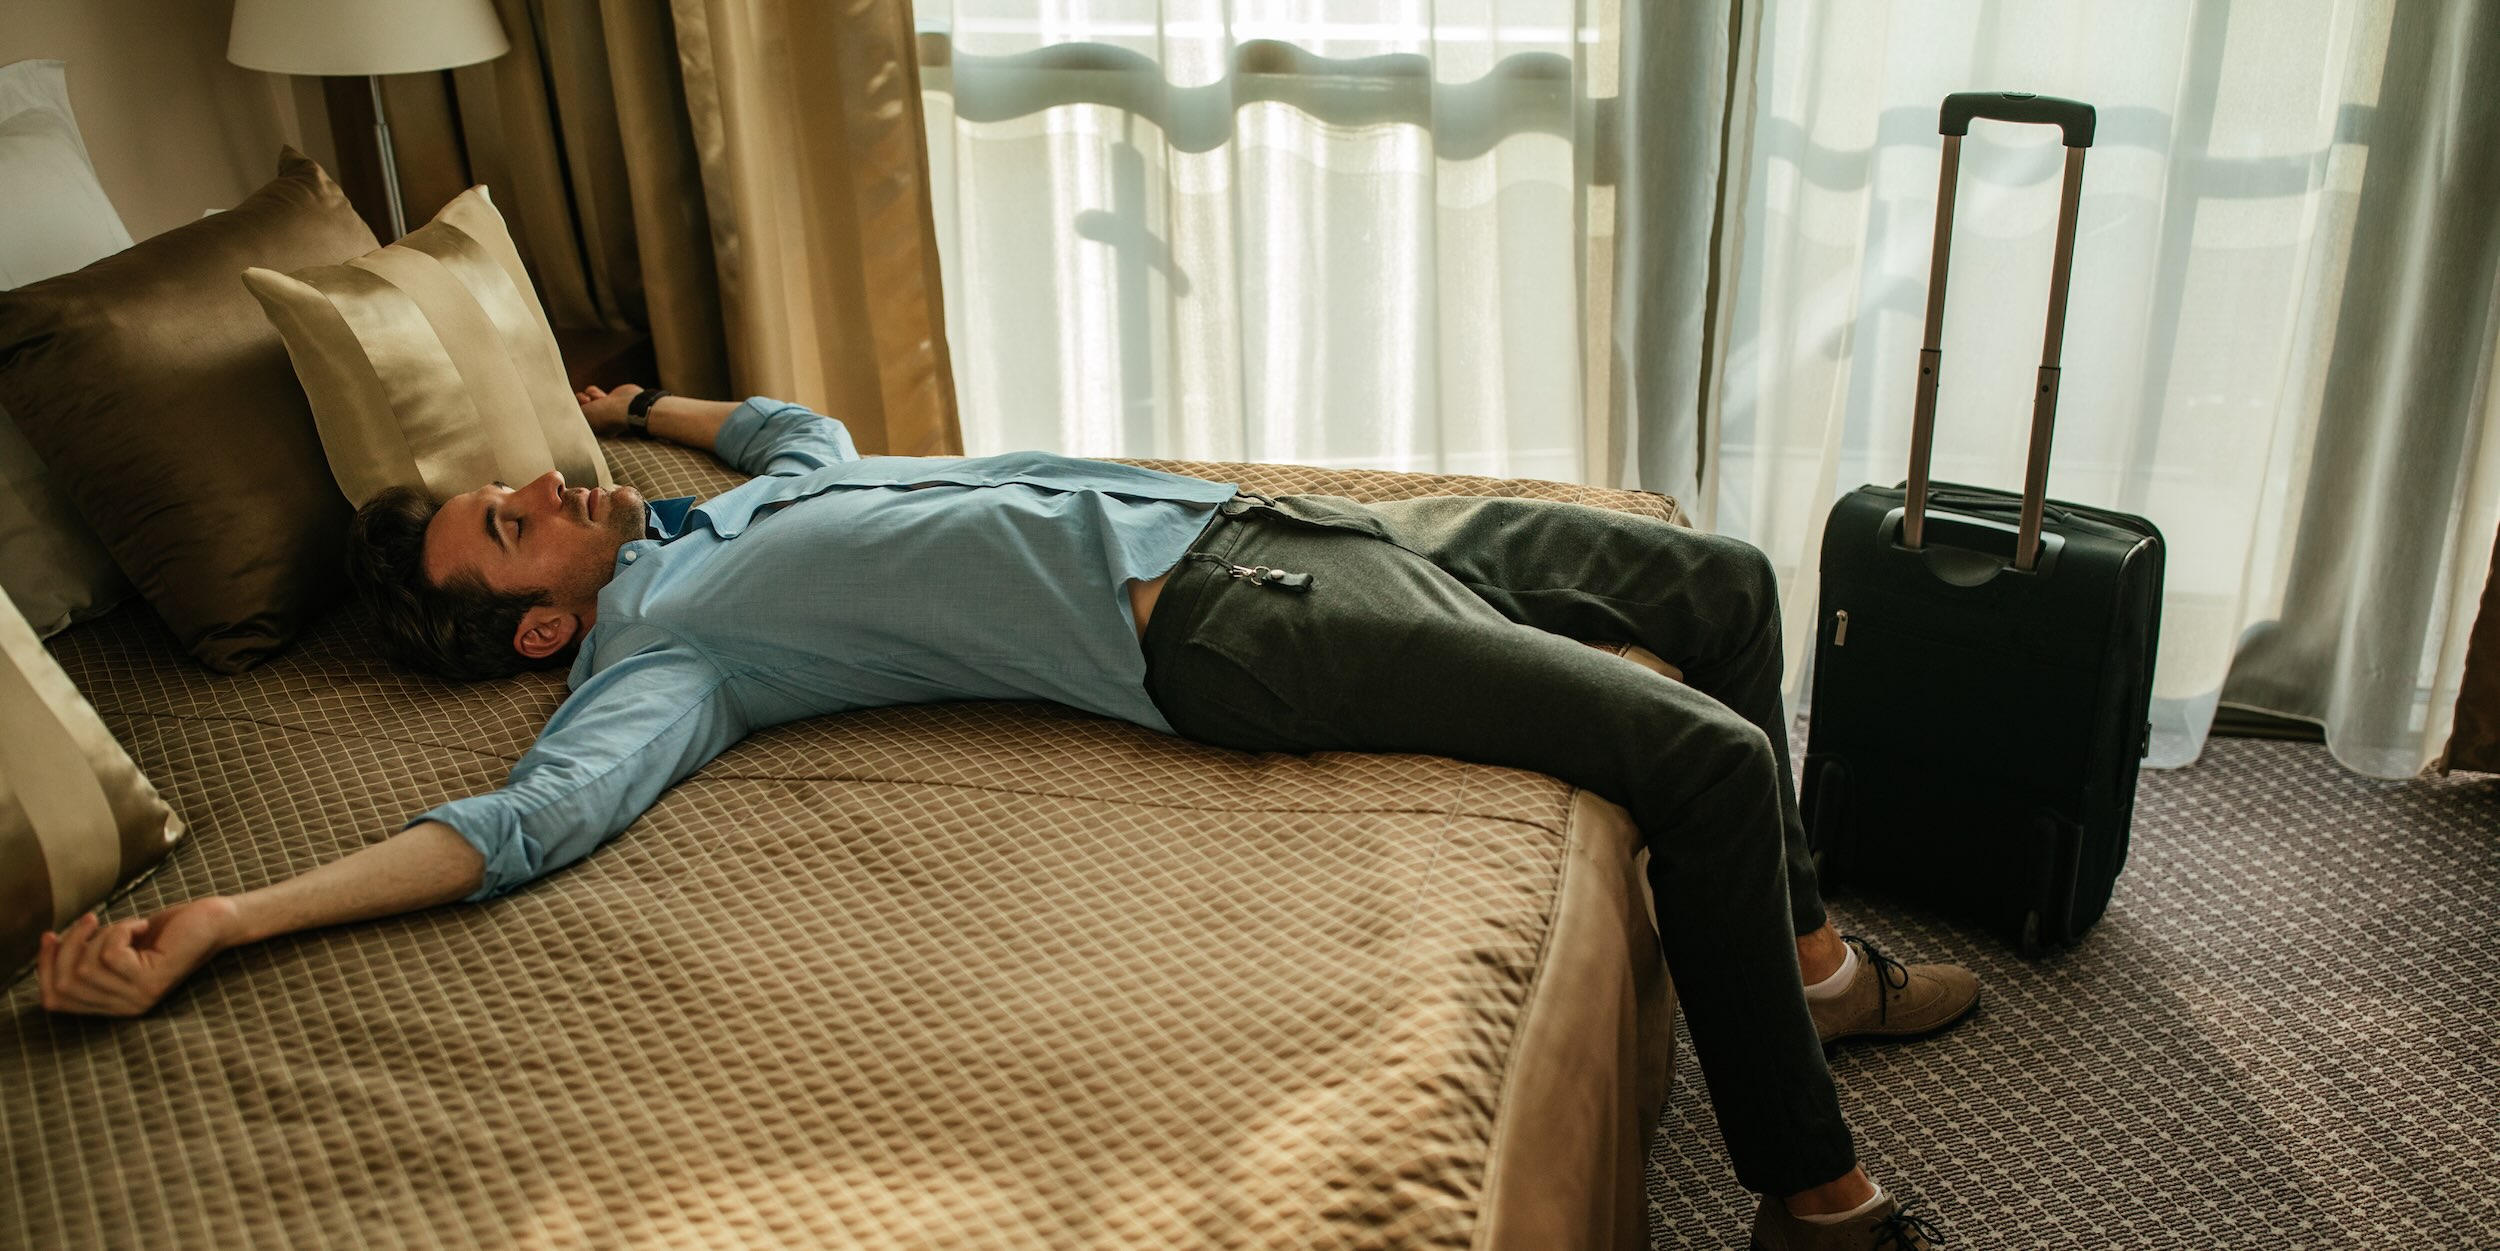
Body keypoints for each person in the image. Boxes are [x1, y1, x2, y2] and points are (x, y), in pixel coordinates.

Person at [37, 388, 1978, 1249]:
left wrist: (645, 396)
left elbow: (796, 430)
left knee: (1710, 581)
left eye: (530, 470)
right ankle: (1810, 1199)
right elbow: (521, 823)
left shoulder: (726, 511)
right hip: (1234, 625)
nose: (548, 475)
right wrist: (227, 918)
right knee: (1697, 758)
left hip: (1287, 527)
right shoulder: (660, 656)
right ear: (534, 614)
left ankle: (1791, 961)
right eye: (512, 516)